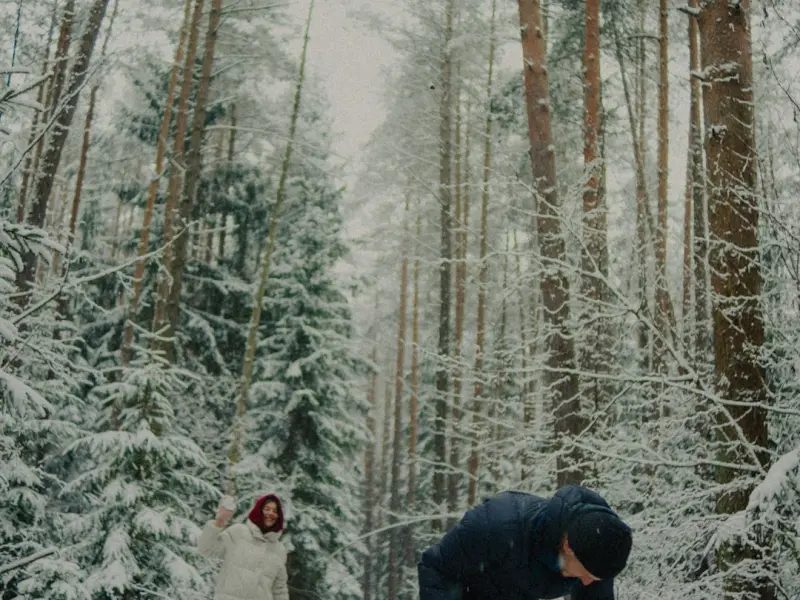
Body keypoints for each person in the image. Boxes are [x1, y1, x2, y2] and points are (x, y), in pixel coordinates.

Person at [418, 485, 632, 600]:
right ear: (568, 546)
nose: (587, 582)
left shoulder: (599, 550)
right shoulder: (495, 525)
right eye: (586, 574)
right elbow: (436, 568)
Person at [198, 494, 289, 600]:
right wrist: (219, 521)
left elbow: (279, 589)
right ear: (258, 510)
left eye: (275, 511)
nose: (270, 513)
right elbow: (206, 549)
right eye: (266, 509)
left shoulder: (280, 550)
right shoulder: (238, 532)